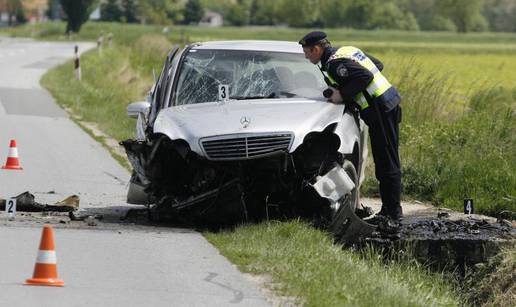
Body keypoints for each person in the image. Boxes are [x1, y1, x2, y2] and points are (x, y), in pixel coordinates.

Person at [299, 31, 403, 221]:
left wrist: (342, 95)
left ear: (316, 49)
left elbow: (364, 76)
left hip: (380, 110)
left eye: (307, 52)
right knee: (387, 160)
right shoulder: (346, 50)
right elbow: (377, 65)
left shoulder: (334, 64)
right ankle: (391, 210)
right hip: (387, 106)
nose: (306, 56)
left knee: (386, 163)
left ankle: (393, 214)